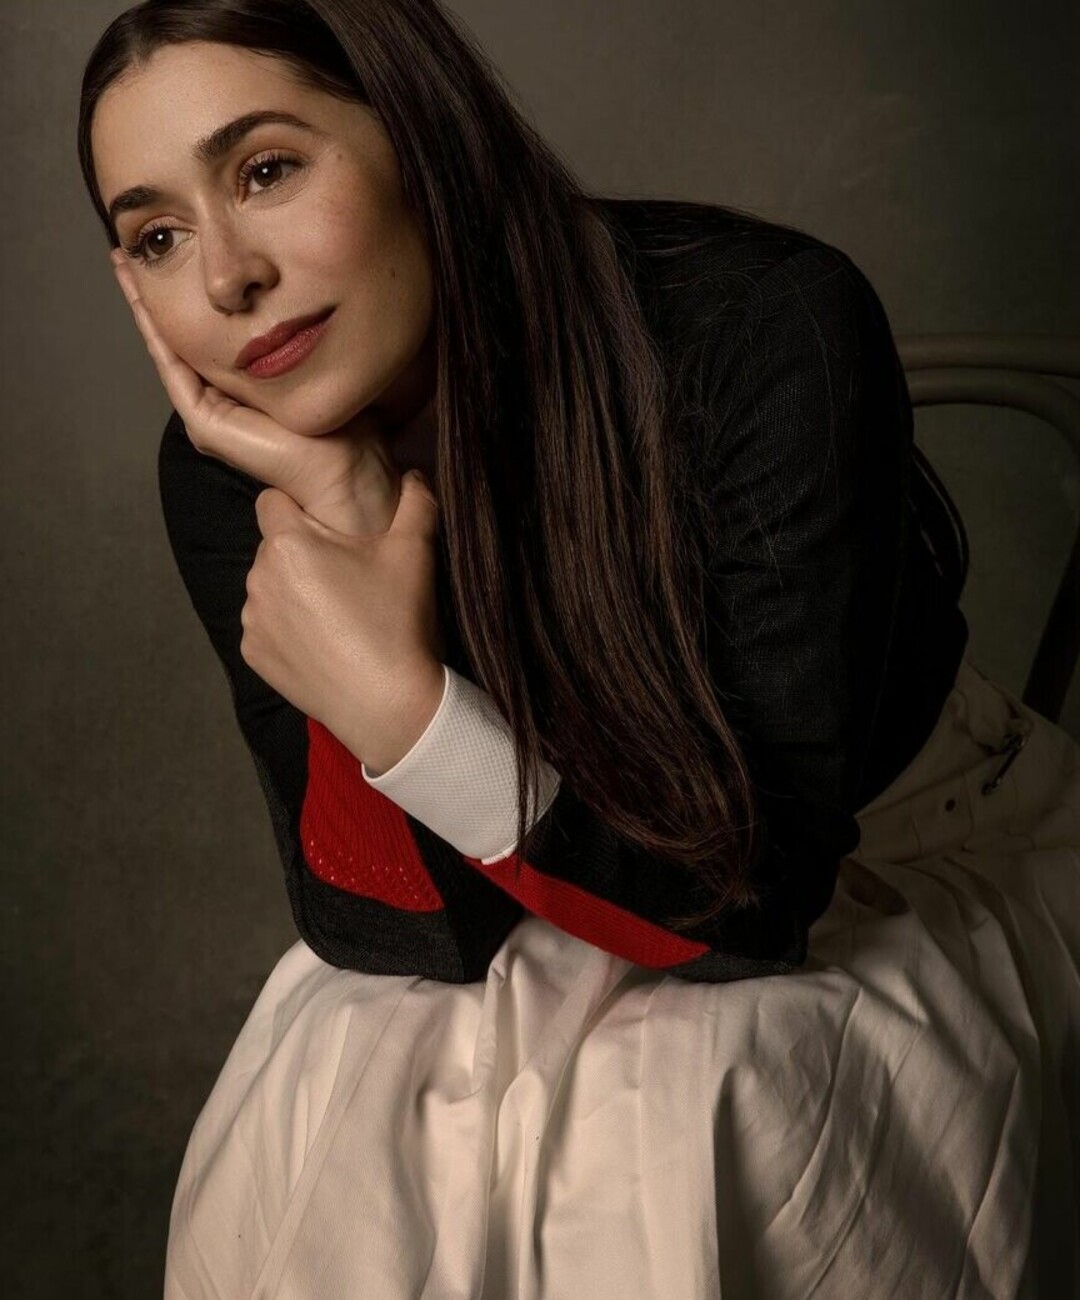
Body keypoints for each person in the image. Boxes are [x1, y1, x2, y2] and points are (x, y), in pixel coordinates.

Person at [79, 1, 1080, 1296]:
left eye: (266, 170)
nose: (225, 279)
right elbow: (401, 930)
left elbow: (753, 908)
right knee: (339, 1133)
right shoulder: (232, 472)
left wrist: (404, 708)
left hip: (880, 866)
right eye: (157, 237)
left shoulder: (765, 326)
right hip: (542, 882)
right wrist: (341, 514)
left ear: (422, 133)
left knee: (677, 1131)